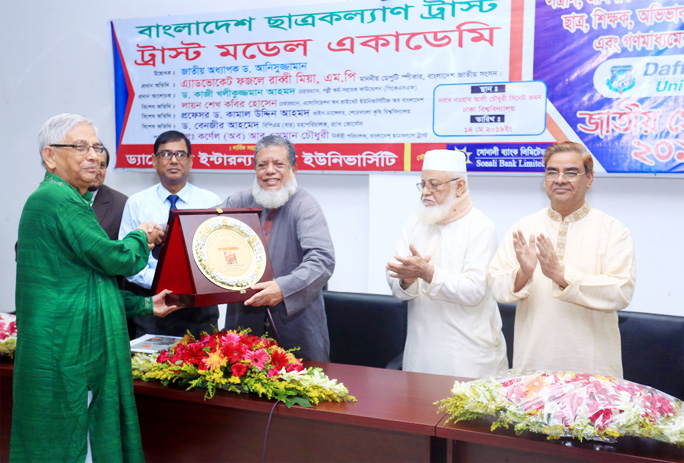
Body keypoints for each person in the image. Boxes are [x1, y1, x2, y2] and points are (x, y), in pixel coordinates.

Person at [12, 113, 182, 462]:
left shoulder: (66, 199)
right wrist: (143, 237)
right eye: (80, 146)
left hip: (73, 340)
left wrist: (148, 306)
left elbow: (93, 286)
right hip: (66, 349)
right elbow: (114, 259)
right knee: (71, 440)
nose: (93, 155)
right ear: (50, 156)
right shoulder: (57, 199)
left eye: (97, 147)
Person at [488, 141, 636, 378]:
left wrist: (562, 276)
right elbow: (496, 285)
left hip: (592, 367)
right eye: (552, 172)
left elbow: (621, 291)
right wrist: (522, 275)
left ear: (589, 179)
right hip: (533, 363)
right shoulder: (524, 228)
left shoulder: (612, 230)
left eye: (570, 172)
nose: (559, 179)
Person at [386, 149, 508, 378]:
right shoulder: (416, 221)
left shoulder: (480, 226)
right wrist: (407, 279)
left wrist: (429, 273)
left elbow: (474, 291)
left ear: (459, 186)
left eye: (434, 185)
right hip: (420, 355)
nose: (425, 192)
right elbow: (396, 275)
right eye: (422, 184)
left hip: (468, 359)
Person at [222, 135, 335, 361]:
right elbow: (203, 224)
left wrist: (282, 289)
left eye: (278, 164)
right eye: (262, 165)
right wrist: (165, 229)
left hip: (296, 327)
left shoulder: (305, 205)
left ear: (293, 168)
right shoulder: (240, 201)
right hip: (245, 324)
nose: (269, 171)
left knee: (299, 394)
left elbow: (322, 261)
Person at [119, 130, 221, 339]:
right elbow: (127, 260)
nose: (173, 160)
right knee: (150, 370)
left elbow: (217, 255)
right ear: (154, 161)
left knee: (205, 367)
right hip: (152, 303)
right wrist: (160, 284)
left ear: (191, 161)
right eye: (166, 154)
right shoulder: (137, 203)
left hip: (199, 306)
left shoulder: (211, 202)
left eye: (180, 154)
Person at [90, 147, 128, 240]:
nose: (97, 171)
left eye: (102, 165)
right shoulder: (61, 196)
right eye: (92, 164)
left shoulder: (121, 204)